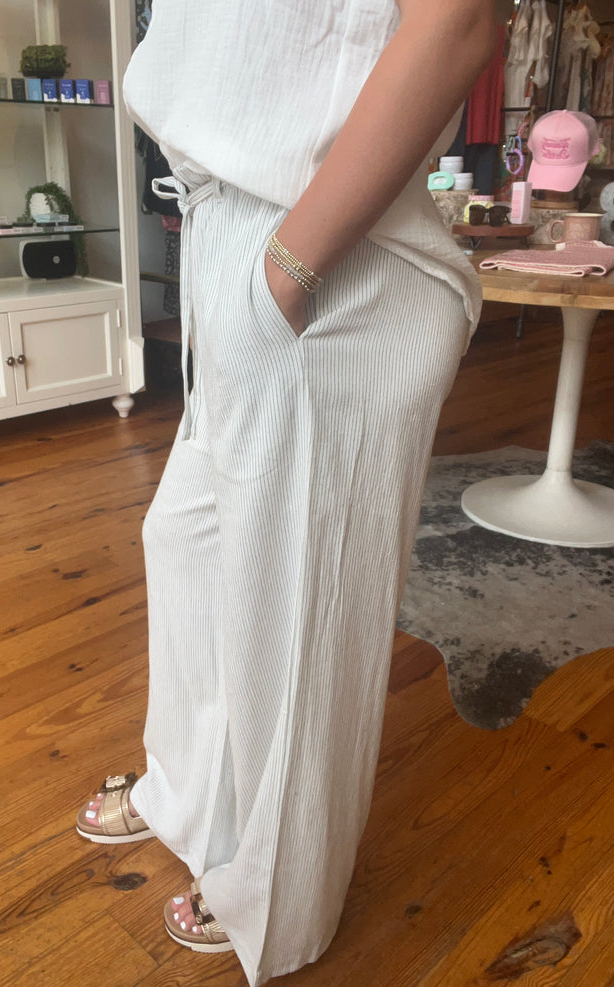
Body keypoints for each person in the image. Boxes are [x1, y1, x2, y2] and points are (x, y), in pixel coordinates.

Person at [76, 2, 497, 984]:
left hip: (326, 255)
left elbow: (460, 19)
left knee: (298, 621)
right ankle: (191, 800)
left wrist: (288, 270)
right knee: (188, 545)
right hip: (238, 232)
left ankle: (281, 899)